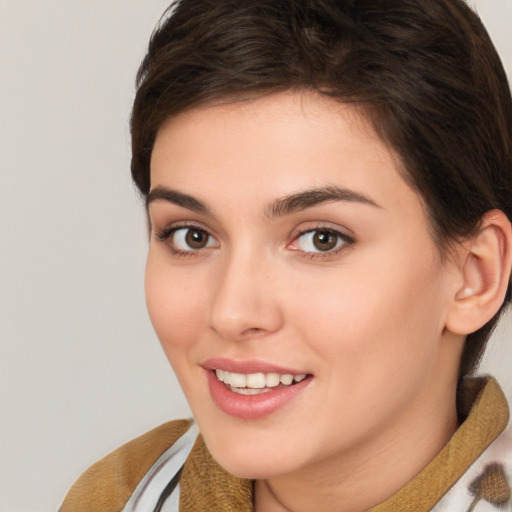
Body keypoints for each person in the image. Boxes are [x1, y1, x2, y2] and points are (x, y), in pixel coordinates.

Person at [60, 0, 512, 510]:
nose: (231, 312)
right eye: (191, 235)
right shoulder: (117, 494)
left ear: (476, 275)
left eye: (321, 238)